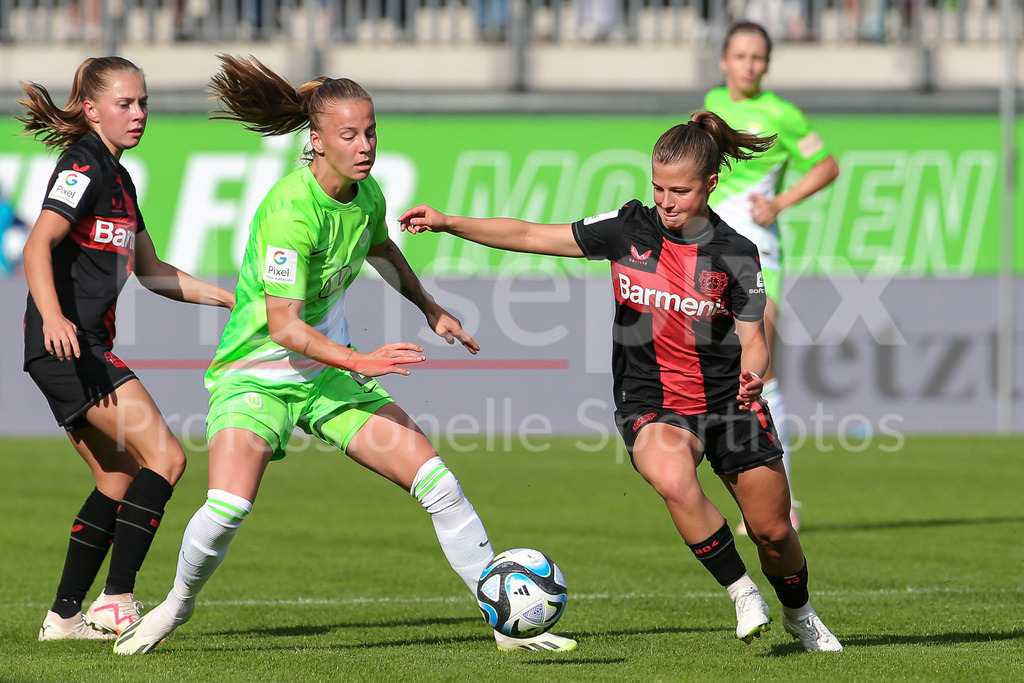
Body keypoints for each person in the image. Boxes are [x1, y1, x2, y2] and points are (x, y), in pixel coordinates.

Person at [114, 54, 577, 655]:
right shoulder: (288, 213)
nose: (364, 146)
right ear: (317, 141)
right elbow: (282, 328)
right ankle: (175, 606)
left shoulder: (366, 195)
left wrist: (429, 306)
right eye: (349, 134)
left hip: (328, 373)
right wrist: (360, 362)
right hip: (257, 374)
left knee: (437, 481)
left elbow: (382, 247)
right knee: (228, 506)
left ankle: (503, 624)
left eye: (371, 132)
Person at [399, 111, 843, 652]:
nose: (666, 200)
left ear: (711, 184)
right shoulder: (629, 227)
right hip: (650, 400)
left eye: (679, 190)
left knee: (774, 532)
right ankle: (742, 592)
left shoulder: (736, 254)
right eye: (658, 187)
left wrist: (754, 375)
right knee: (674, 480)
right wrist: (449, 222)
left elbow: (754, 337)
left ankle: (800, 614)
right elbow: (530, 234)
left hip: (728, 401)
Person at [17, 56, 235, 641]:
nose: (139, 114)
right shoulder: (82, 164)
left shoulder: (120, 178)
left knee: (117, 477)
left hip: (69, 348)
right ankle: (116, 600)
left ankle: (63, 618)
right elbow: (37, 246)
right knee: (165, 458)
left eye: (143, 103)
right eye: (125, 103)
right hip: (69, 346)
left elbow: (153, 271)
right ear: (91, 109)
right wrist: (56, 318)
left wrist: (229, 299)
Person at [704, 21, 840, 533]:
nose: (749, 65)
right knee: (719, 369)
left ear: (767, 63)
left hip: (760, 255)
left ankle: (783, 501)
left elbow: (826, 165)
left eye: (757, 57)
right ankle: (741, 490)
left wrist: (780, 202)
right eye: (740, 55)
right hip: (710, 254)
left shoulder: (781, 113)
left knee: (760, 367)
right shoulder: (711, 103)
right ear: (724, 60)